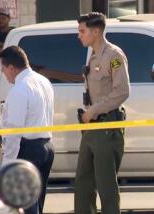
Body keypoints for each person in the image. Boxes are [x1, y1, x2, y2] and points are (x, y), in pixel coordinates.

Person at [75, 12, 130, 214]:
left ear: (96, 31)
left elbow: (122, 91)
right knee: (82, 184)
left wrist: (95, 110)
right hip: (91, 127)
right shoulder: (93, 56)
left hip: (107, 127)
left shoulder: (114, 55)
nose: (78, 35)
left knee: (106, 187)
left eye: (82, 31)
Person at [0, 46, 54, 214]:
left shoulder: (20, 89)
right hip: (46, 146)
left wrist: (7, 164)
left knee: (26, 204)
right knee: (37, 202)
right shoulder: (43, 81)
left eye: (3, 69)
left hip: (28, 149)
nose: (3, 74)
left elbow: (14, 132)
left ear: (12, 68)